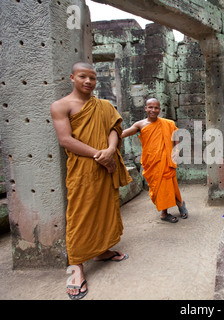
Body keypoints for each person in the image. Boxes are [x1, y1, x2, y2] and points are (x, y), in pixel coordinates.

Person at [50, 62, 132, 300]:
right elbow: (66, 140)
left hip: (106, 165)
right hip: (83, 168)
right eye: (83, 77)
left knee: (106, 210)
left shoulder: (104, 105)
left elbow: (114, 128)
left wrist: (110, 150)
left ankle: (101, 250)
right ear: (72, 77)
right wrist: (100, 156)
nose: (88, 81)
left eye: (93, 78)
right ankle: (76, 268)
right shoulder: (61, 106)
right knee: (80, 215)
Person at [122, 98, 188, 223]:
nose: (153, 110)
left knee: (169, 185)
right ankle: (178, 205)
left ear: (160, 109)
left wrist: (176, 151)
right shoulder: (140, 125)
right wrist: (109, 135)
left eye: (156, 108)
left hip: (166, 160)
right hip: (151, 162)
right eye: (150, 107)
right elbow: (124, 133)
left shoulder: (168, 123)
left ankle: (168, 211)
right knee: (159, 188)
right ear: (146, 108)